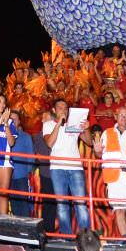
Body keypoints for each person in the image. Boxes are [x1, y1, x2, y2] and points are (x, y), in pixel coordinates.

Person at [95, 105, 126, 235]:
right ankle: (125, 239)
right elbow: (99, 154)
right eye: (120, 115)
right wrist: (98, 151)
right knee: (119, 209)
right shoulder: (107, 133)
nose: (123, 118)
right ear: (115, 117)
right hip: (114, 176)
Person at [44, 98, 92, 233]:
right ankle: (67, 237)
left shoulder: (74, 124)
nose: (63, 110)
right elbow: (49, 143)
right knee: (62, 205)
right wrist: (59, 123)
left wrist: (86, 129)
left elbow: (89, 142)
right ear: (54, 110)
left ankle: (86, 236)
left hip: (76, 167)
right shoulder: (48, 124)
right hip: (57, 168)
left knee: (81, 204)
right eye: (60, 107)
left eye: (65, 108)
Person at [32, 111, 56, 232]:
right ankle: (48, 230)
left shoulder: (60, 133)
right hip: (46, 172)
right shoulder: (38, 136)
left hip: (58, 171)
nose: (42, 120)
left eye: (44, 118)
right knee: (48, 203)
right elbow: (39, 154)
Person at [8, 110, 35, 218]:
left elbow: (30, 155)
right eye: (11, 118)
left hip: (21, 174)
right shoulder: (3, 135)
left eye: (15, 119)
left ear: (19, 121)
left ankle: (25, 228)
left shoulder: (25, 136)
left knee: (23, 203)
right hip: (6, 175)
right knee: (13, 203)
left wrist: (26, 170)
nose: (13, 121)